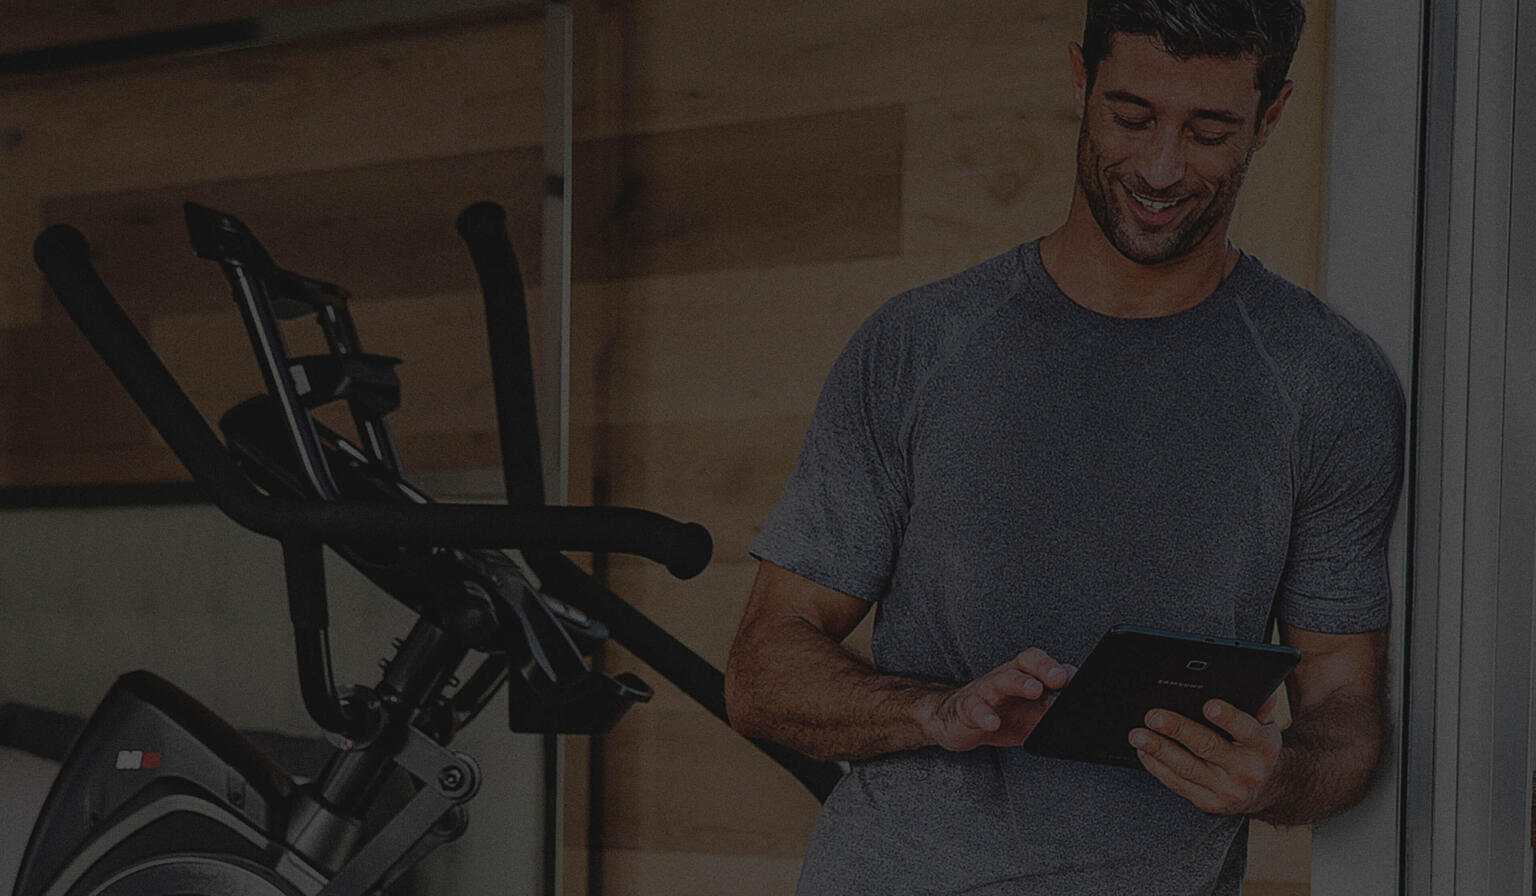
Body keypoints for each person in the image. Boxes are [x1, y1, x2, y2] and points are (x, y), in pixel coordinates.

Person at [723, 1, 1404, 894]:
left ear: (1269, 118)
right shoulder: (921, 344)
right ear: (1080, 80)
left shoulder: (1326, 381)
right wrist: (936, 710)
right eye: (1132, 117)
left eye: (1208, 131)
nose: (1160, 168)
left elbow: (1346, 711)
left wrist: (1277, 777)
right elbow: (762, 671)